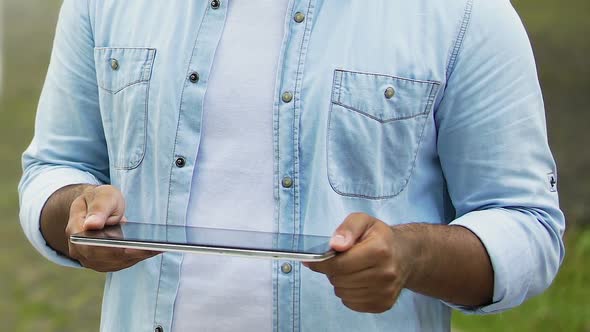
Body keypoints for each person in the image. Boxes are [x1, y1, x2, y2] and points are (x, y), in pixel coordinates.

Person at [18, 0, 565, 331]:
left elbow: (526, 223)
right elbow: (54, 166)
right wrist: (75, 212)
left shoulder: (464, 12)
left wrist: (411, 255)